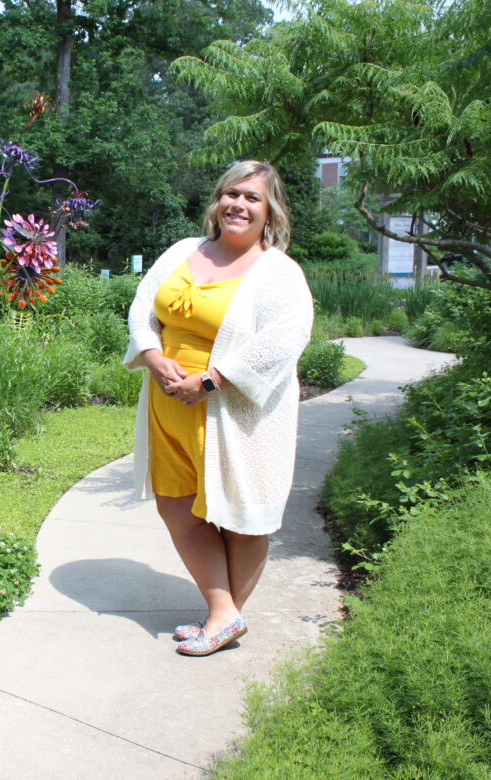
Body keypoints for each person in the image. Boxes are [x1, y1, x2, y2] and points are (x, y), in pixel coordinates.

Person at [123, 160, 313, 657]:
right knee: (176, 505)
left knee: (238, 513)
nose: (239, 205)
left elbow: (284, 339)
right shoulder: (185, 251)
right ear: (217, 200)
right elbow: (144, 306)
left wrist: (210, 380)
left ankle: (222, 617)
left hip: (233, 414)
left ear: (270, 212)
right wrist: (152, 356)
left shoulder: (278, 272)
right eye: (233, 193)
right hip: (170, 405)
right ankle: (223, 613)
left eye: (253, 198)